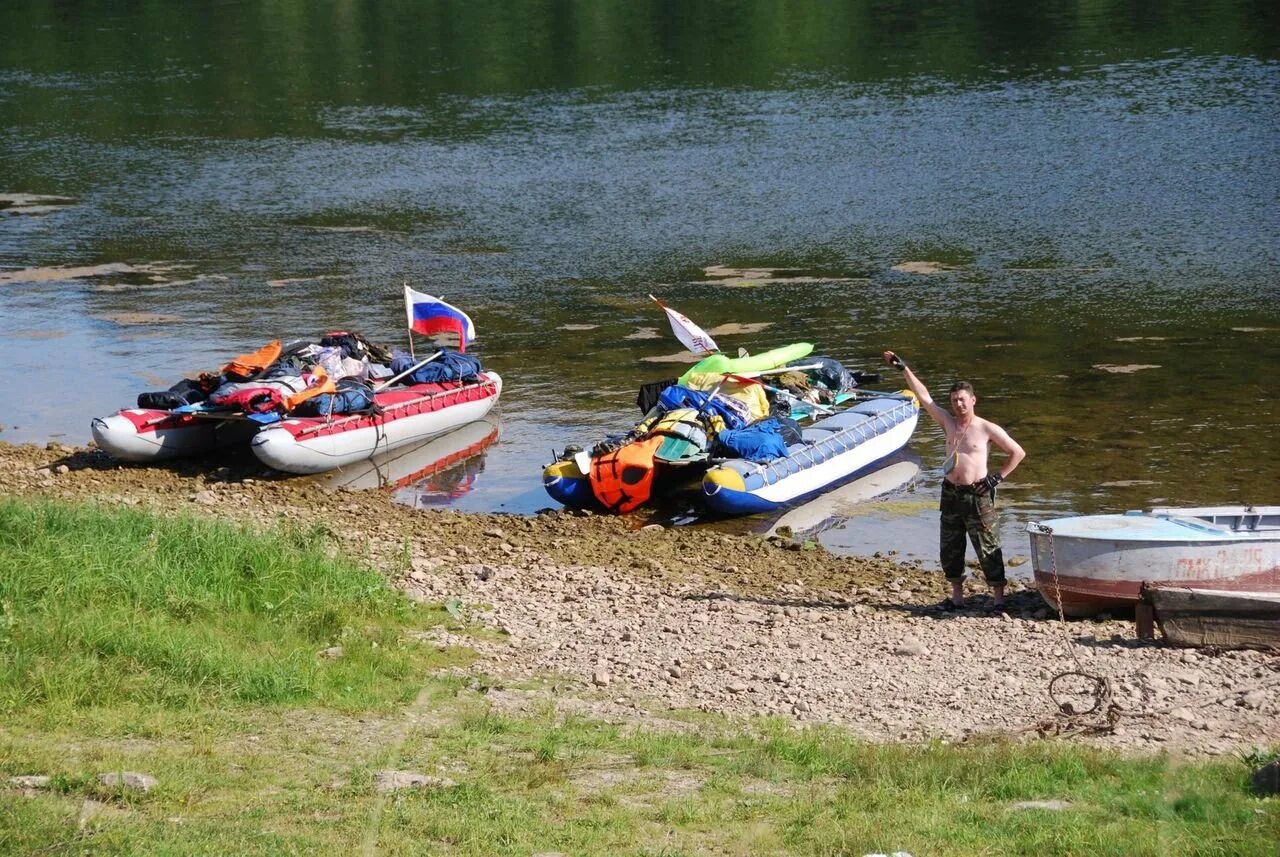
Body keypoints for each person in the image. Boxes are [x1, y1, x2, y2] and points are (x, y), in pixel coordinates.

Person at [883, 351, 1025, 611]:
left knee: (987, 544)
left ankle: (999, 598)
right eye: (954, 400)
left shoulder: (986, 428)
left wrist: (996, 478)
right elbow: (924, 397)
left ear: (973, 400)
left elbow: (1017, 452)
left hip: (977, 493)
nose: (958, 404)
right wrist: (903, 368)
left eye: (962, 400)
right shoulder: (948, 423)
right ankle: (957, 596)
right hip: (950, 493)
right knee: (950, 545)